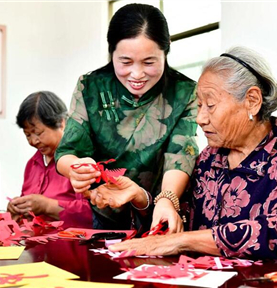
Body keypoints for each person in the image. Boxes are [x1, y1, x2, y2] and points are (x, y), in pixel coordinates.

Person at [108, 46, 277, 269]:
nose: (200, 118)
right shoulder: (210, 158)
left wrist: (180, 242)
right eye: (199, 105)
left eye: (210, 105)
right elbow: (177, 219)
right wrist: (141, 198)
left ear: (252, 100)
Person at [55, 4, 198, 234]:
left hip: (161, 211)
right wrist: (76, 169)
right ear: (112, 53)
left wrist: (167, 199)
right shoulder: (91, 86)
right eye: (126, 62)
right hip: (105, 211)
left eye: (149, 62)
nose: (137, 74)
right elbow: (67, 151)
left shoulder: (184, 92)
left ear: (166, 52)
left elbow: (181, 154)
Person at [7, 91, 92, 229]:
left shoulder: (79, 161)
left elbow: (94, 214)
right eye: (27, 134)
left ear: (61, 123)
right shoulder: (33, 164)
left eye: (39, 133)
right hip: (36, 246)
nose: (33, 140)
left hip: (72, 247)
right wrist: (18, 208)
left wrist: (47, 206)